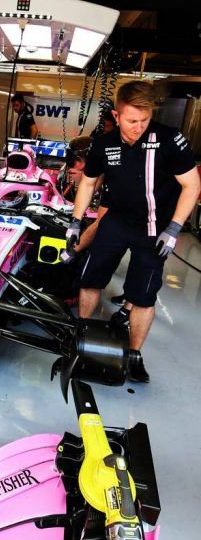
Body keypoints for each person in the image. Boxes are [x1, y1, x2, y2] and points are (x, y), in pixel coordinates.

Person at [66, 80, 200, 383]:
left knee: (143, 296)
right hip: (115, 221)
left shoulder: (170, 139)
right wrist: (76, 221)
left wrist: (175, 228)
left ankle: (134, 354)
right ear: (116, 114)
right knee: (90, 278)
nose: (138, 126)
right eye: (131, 120)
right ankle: (84, 336)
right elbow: (88, 182)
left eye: (144, 120)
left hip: (154, 229)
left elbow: (192, 186)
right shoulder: (104, 143)